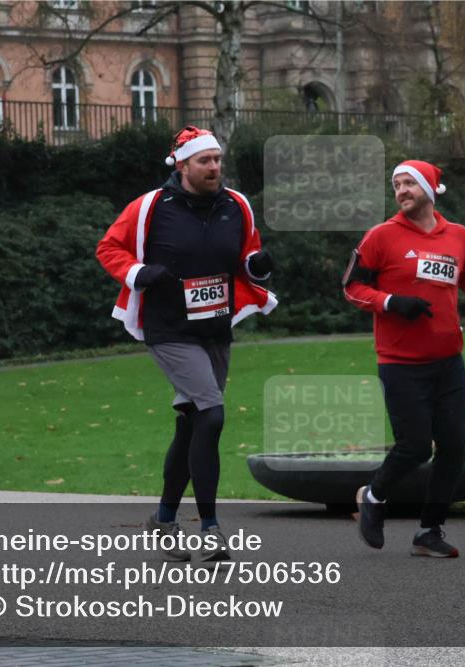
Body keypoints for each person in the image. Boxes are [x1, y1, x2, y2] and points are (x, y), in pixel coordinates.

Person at [96, 126, 277, 562]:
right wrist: (141, 273)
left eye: (217, 159)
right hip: (169, 329)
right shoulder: (151, 207)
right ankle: (212, 529)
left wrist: (257, 266)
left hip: (215, 327)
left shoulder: (237, 205)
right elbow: (109, 248)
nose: (214, 167)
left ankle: (162, 519)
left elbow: (246, 257)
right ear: (182, 165)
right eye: (205, 160)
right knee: (212, 415)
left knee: (193, 422)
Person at [343, 159, 465, 558]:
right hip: (400, 362)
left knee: (453, 447)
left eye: (408, 183)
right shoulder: (382, 236)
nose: (401, 191)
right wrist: (392, 301)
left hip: (448, 360)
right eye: (396, 185)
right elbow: (351, 287)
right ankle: (374, 497)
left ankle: (429, 531)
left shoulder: (458, 236)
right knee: (414, 446)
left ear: (429, 189)